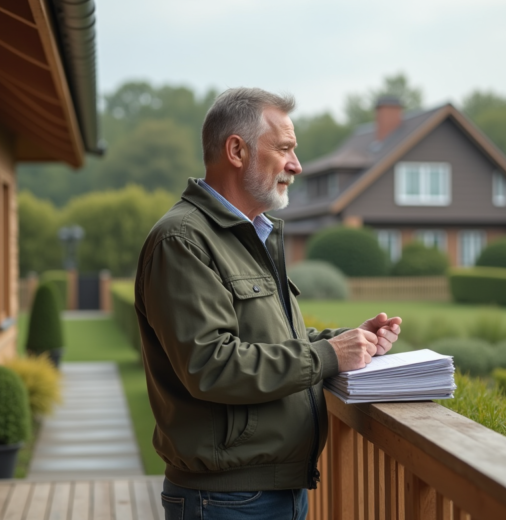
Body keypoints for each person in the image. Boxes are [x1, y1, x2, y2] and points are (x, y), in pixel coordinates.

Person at [134, 88, 402, 520]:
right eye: (284, 149)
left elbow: (276, 340)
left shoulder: (250, 236)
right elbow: (212, 364)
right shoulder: (182, 241)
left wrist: (352, 342)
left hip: (275, 491)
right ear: (236, 150)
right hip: (226, 500)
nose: (296, 165)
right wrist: (328, 356)